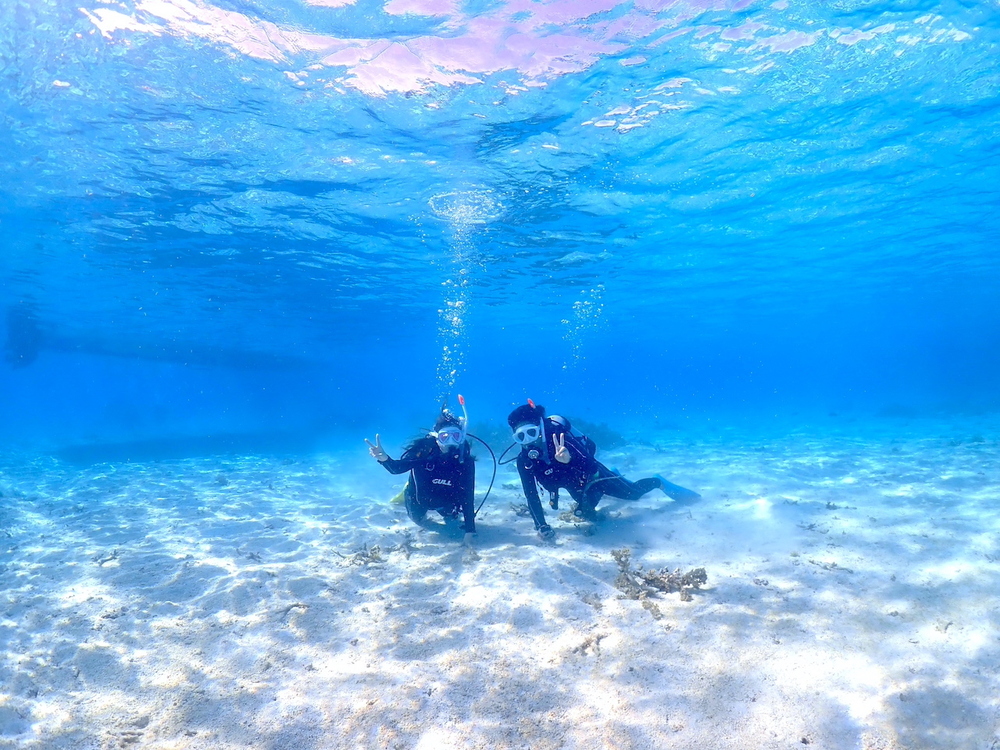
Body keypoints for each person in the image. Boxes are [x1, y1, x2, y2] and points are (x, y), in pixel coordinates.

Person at [507, 400, 700, 541]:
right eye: (521, 437)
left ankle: (657, 481)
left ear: (540, 429)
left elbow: (591, 465)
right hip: (576, 485)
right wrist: (541, 525)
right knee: (588, 516)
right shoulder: (524, 461)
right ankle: (615, 477)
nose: (528, 441)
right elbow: (531, 494)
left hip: (594, 476)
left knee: (633, 494)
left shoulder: (561, 440)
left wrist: (568, 459)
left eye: (531, 433)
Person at [366, 399, 476, 546]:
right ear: (436, 437)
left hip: (446, 498)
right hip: (420, 497)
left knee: (452, 517)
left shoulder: (465, 461)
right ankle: (407, 488)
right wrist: (384, 459)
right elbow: (397, 468)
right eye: (444, 437)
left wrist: (469, 531)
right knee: (418, 520)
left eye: (455, 436)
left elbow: (468, 495)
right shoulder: (424, 451)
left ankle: (447, 512)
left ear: (461, 438)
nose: (450, 442)